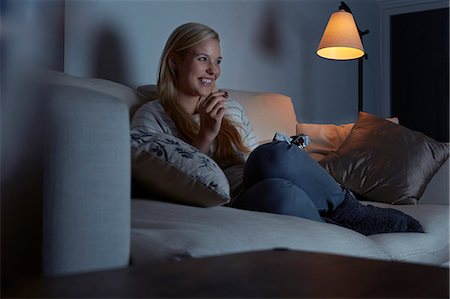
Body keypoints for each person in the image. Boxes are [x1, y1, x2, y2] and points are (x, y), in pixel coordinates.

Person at [131, 22, 423, 235]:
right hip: (228, 203)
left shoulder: (230, 106)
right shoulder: (151, 117)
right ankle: (336, 228)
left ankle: (353, 213)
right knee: (279, 193)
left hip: (250, 179)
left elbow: (249, 162)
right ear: (174, 63)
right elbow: (176, 184)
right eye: (202, 59)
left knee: (270, 157)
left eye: (217, 61)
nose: (214, 71)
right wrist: (205, 135)